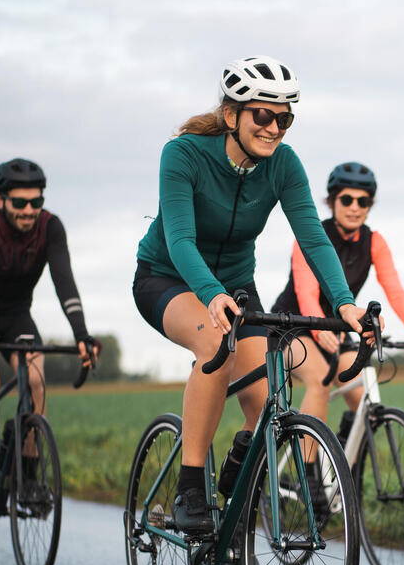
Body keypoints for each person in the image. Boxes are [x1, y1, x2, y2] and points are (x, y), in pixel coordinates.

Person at [132, 56, 370, 534]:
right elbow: (180, 239)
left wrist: (345, 303)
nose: (274, 127)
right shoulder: (183, 155)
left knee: (267, 405)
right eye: (263, 114)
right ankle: (190, 488)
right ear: (231, 114)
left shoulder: (283, 164)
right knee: (215, 346)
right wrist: (210, 293)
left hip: (237, 285)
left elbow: (314, 239)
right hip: (169, 277)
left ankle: (237, 480)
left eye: (284, 118)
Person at [0, 159, 99, 516]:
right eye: (20, 203)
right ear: (0, 200)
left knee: (35, 380)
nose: (30, 210)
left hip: (16, 315)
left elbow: (65, 282)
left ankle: (29, 475)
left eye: (37, 202)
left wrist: (82, 334)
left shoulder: (50, 228)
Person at [270, 161, 404, 438]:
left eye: (364, 202)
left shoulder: (374, 242)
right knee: (319, 381)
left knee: (364, 400)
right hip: (292, 326)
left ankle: (344, 467)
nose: (355, 207)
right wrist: (318, 328)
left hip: (337, 329)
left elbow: (395, 292)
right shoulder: (312, 236)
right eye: (346, 199)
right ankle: (308, 477)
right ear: (333, 201)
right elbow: (306, 291)